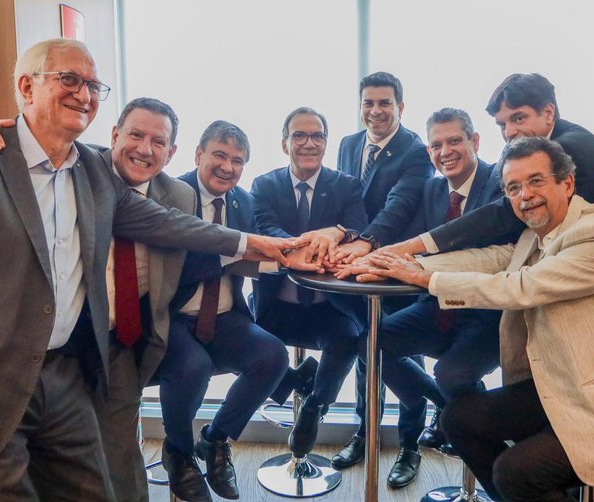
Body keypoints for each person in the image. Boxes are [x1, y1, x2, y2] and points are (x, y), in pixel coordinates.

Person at [0, 38, 290, 501]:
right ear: (26, 87)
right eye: (69, 79)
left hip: (62, 374)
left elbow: (172, 224)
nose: (83, 94)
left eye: (93, 86)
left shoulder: (91, 172)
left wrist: (267, 246)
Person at [348, 137, 594, 501]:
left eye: (536, 181)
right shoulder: (538, 234)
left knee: (514, 472)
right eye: (513, 187)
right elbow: (493, 258)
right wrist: (407, 263)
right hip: (562, 388)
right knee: (458, 420)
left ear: (567, 183)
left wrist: (427, 279)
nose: (525, 195)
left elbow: (521, 286)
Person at [0, 97, 196, 502]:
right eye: (135, 135)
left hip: (119, 343)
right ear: (114, 135)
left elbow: (191, 258)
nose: (144, 149)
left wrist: (270, 247)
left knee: (120, 462)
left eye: (158, 141)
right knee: (49, 463)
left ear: (172, 152)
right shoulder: (75, 167)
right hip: (48, 345)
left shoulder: (180, 195)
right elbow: (19, 145)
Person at [368, 73, 594, 320]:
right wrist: (415, 262)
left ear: (549, 113)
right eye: (502, 124)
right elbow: (514, 249)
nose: (510, 132)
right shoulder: (547, 146)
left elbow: (502, 215)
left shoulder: (567, 150)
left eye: (518, 118)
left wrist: (413, 249)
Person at [157, 120, 293, 502]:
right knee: (193, 366)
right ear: (198, 154)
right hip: (175, 315)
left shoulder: (242, 201)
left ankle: (215, 439)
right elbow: (180, 264)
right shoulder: (171, 194)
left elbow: (253, 251)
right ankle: (178, 452)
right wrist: (236, 251)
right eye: (219, 155)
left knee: (273, 356)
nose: (227, 167)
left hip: (225, 315)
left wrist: (290, 255)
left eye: (238, 160)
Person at [372, 108, 504, 466]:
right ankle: (445, 406)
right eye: (436, 145)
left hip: (485, 314)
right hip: (436, 307)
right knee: (372, 344)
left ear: (475, 141)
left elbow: (490, 254)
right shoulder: (431, 189)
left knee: (451, 375)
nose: (445, 151)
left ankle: (485, 449)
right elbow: (407, 240)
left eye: (454, 141)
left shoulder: (499, 182)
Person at [329, 71, 435, 487]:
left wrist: (365, 244)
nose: (376, 111)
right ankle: (365, 432)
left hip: (399, 268)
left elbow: (399, 205)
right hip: (358, 271)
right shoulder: (348, 144)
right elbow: (345, 201)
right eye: (368, 103)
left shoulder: (416, 149)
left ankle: (410, 444)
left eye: (384, 103)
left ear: (400, 107)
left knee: (405, 355)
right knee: (366, 351)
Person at [250, 107, 367, 457]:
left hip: (329, 306)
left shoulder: (346, 186)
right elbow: (265, 227)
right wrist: (301, 248)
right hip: (276, 305)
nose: (308, 143)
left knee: (348, 339)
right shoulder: (264, 185)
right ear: (284, 143)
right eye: (299, 135)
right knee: (243, 347)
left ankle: (315, 406)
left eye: (317, 136)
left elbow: (359, 227)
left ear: (326, 143)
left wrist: (338, 235)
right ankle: (296, 379)